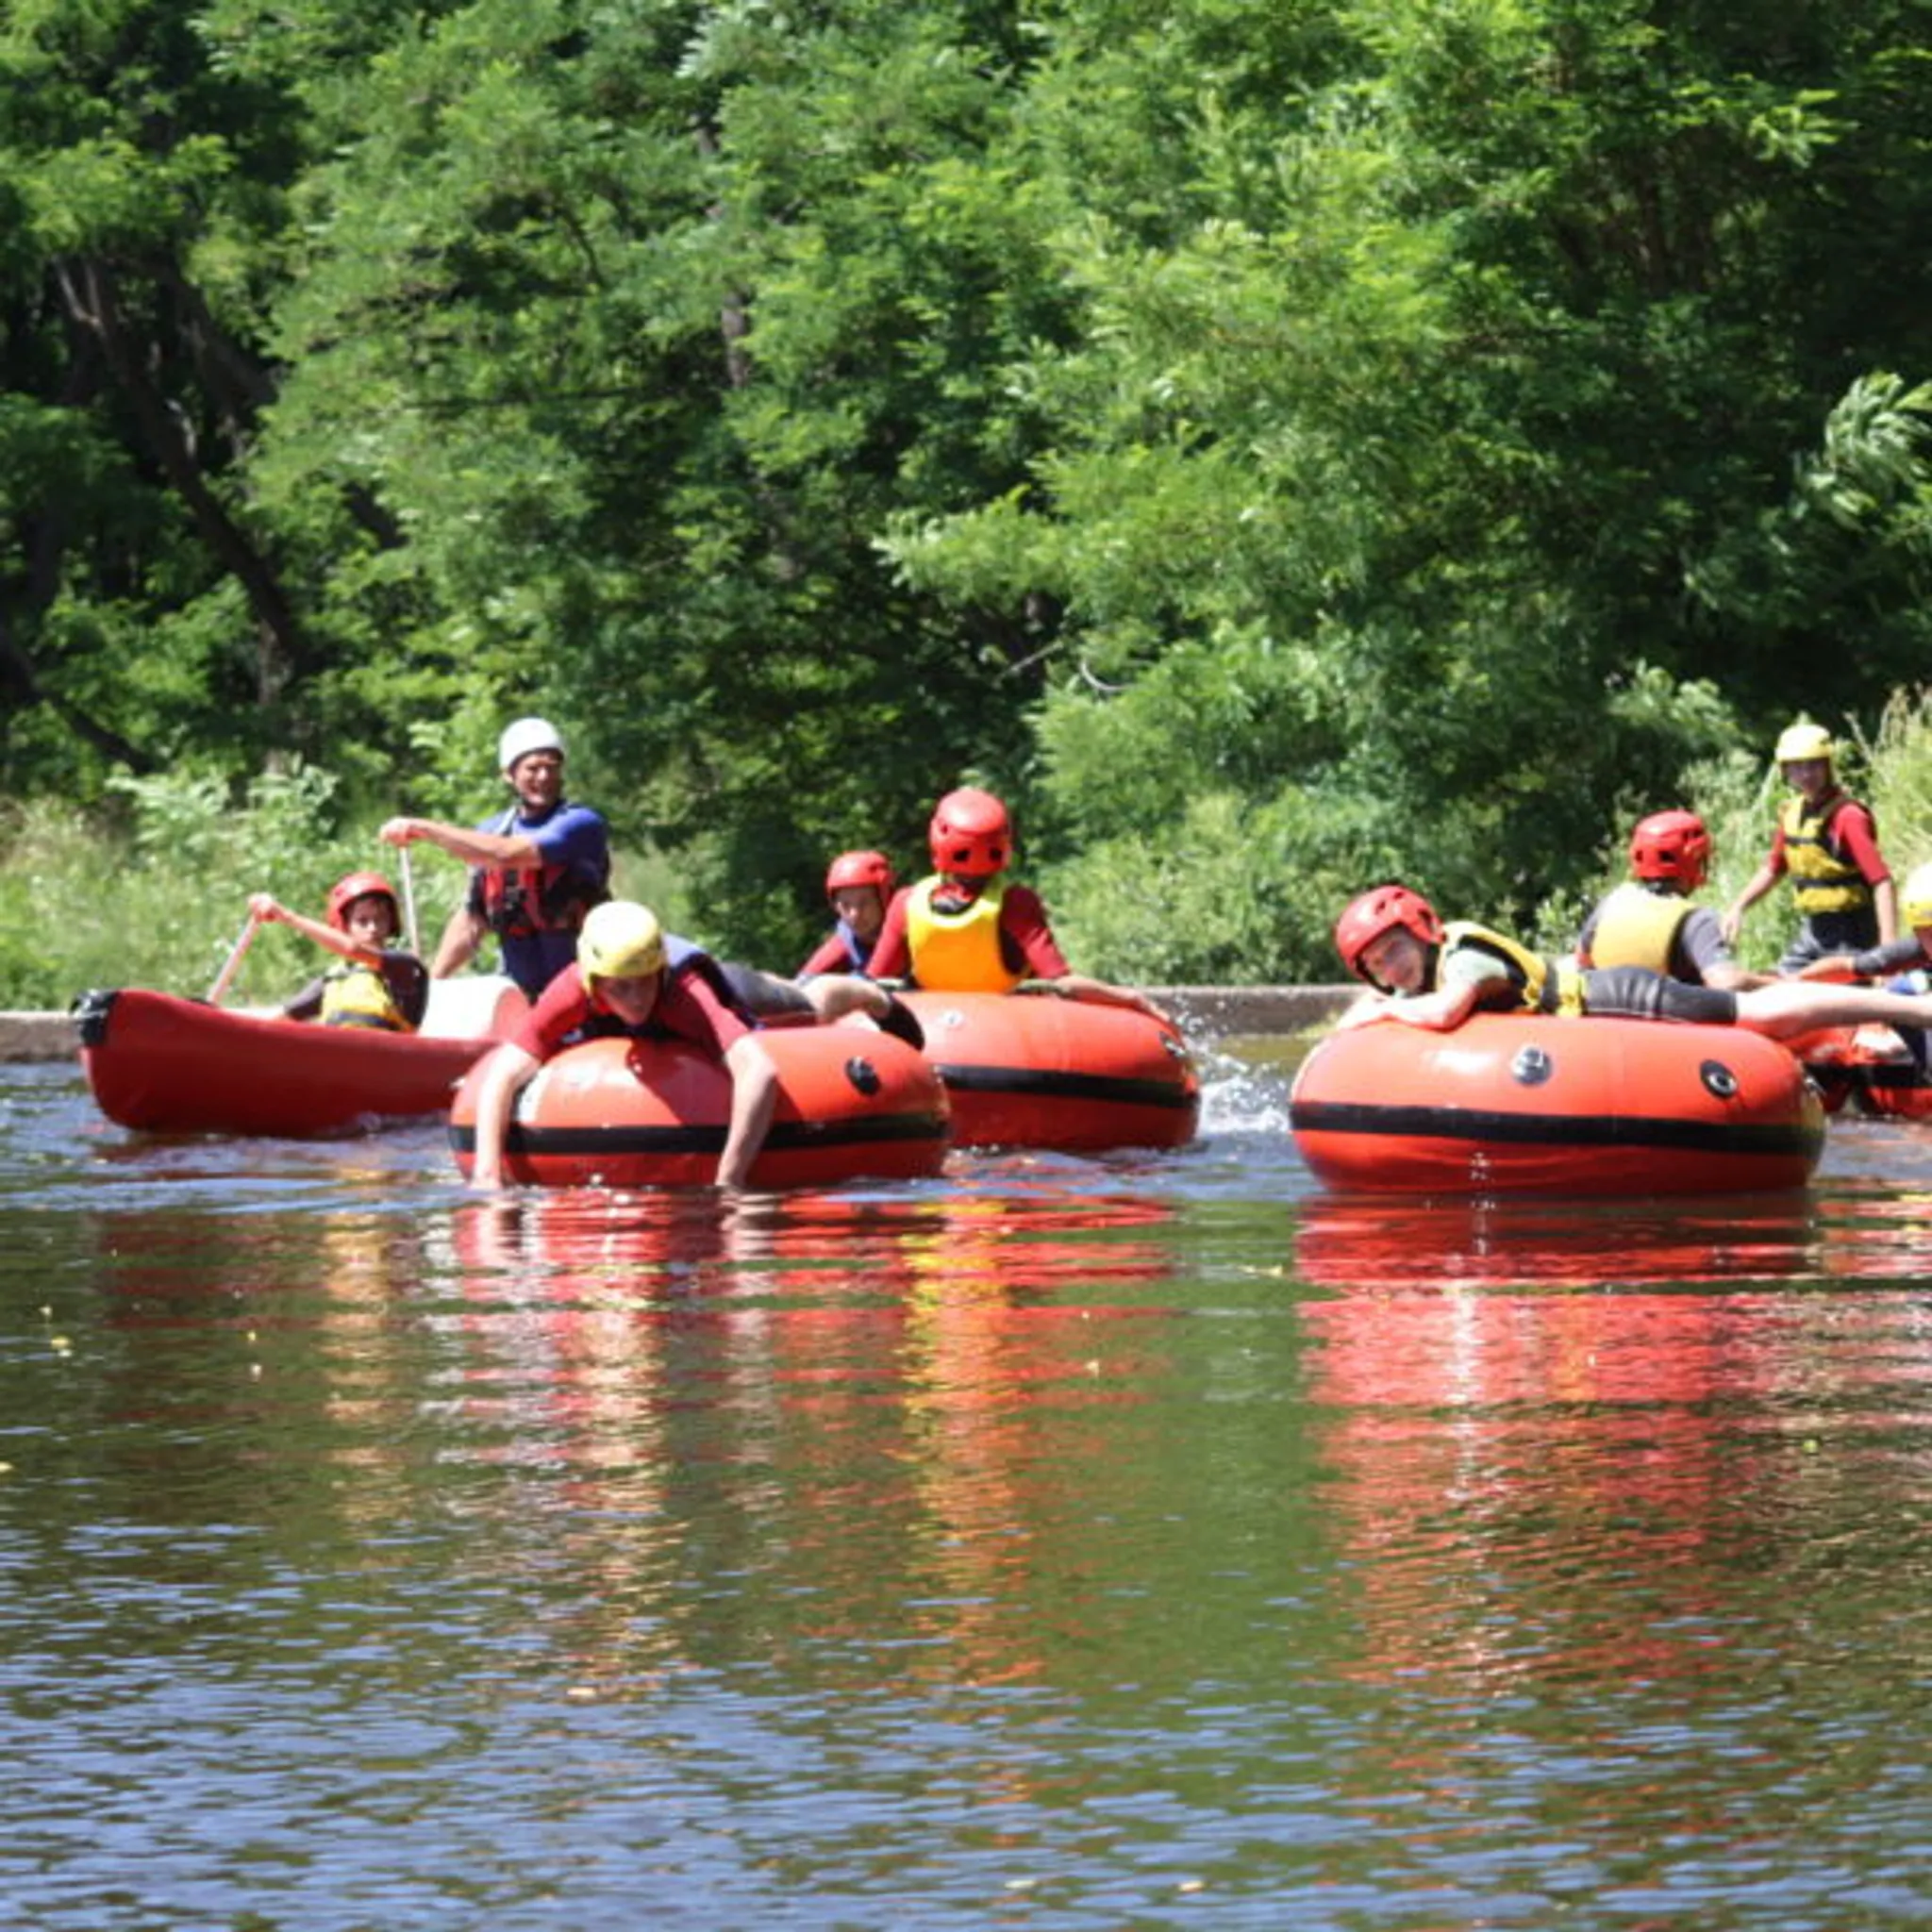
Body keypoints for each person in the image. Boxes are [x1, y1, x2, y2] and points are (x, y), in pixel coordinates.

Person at [466, 900, 924, 1191]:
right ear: (596, 981)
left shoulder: (684, 994)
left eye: (644, 984)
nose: (637, 998)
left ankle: (867, 991)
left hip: (737, 989)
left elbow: (759, 1072)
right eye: (620, 989)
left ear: (659, 972)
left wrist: (730, 1180)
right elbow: (504, 1072)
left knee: (807, 1001)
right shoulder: (572, 990)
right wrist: (488, 1173)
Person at [1332, 881, 1932, 1041]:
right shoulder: (1415, 983)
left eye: (1395, 951)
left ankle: (1912, 1009)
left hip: (1616, 996)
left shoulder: (1462, 956)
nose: (1390, 971)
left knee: (1760, 1015)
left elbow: (1444, 1015)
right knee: (1761, 1011)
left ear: (1422, 931)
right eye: (1376, 967)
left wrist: (1378, 1012)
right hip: (1586, 1009)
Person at [863, 787, 1166, 1017]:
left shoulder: (906, 902)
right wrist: (1129, 998)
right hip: (1009, 1030)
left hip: (930, 1032)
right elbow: (1062, 983)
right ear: (1003, 844)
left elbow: (874, 984)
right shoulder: (1016, 903)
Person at [379, 717, 610, 1003]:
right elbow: (472, 920)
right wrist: (432, 983)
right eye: (532, 768)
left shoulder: (581, 824)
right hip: (521, 995)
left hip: (585, 990)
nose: (543, 777)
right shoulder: (491, 831)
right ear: (508, 774)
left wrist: (425, 829)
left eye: (552, 767)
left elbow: (508, 854)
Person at [1720, 722, 1896, 973]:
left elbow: (1882, 882)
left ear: (1828, 766)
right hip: (1813, 930)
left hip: (1851, 933)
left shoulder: (1848, 816)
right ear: (1785, 770)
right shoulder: (1793, 812)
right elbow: (1774, 868)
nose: (1806, 775)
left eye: (1814, 765)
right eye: (1797, 767)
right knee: (1775, 986)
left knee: (1836, 1001)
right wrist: (1738, 907)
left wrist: (1887, 952)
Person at [1576, 810, 1766, 991]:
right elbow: (1726, 982)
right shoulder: (1698, 921)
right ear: (1692, 859)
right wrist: (1776, 981)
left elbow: (1582, 962)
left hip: (1608, 1014)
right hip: (1669, 1019)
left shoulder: (1610, 905)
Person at [250, 872, 429, 1032]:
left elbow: (352, 949)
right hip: (342, 1057)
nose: (373, 928)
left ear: (391, 923)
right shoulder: (334, 979)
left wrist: (287, 917)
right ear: (345, 927)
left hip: (386, 1056)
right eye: (362, 921)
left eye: (380, 919)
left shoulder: (405, 966)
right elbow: (277, 1022)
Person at [797, 850, 895, 978]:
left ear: (884, 898)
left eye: (864, 903)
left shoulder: (915, 933)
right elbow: (801, 987)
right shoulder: (839, 949)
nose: (855, 914)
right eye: (845, 905)